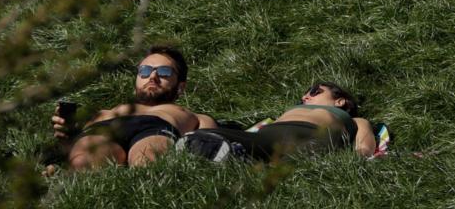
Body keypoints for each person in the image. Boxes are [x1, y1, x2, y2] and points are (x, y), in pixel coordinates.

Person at [51, 46, 217, 170]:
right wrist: (66, 132)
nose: (152, 77)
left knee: (147, 163)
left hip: (157, 127)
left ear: (180, 87)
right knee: (83, 163)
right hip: (105, 128)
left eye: (164, 72)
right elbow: (68, 142)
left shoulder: (194, 117)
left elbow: (209, 146)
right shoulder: (102, 114)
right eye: (144, 71)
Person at [180, 81, 376, 162]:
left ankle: (243, 159)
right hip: (269, 134)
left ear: (340, 101)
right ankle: (234, 153)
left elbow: (364, 143)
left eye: (315, 91)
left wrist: (360, 156)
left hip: (313, 135)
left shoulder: (354, 119)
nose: (306, 96)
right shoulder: (288, 112)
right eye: (304, 95)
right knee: (197, 137)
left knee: (293, 159)